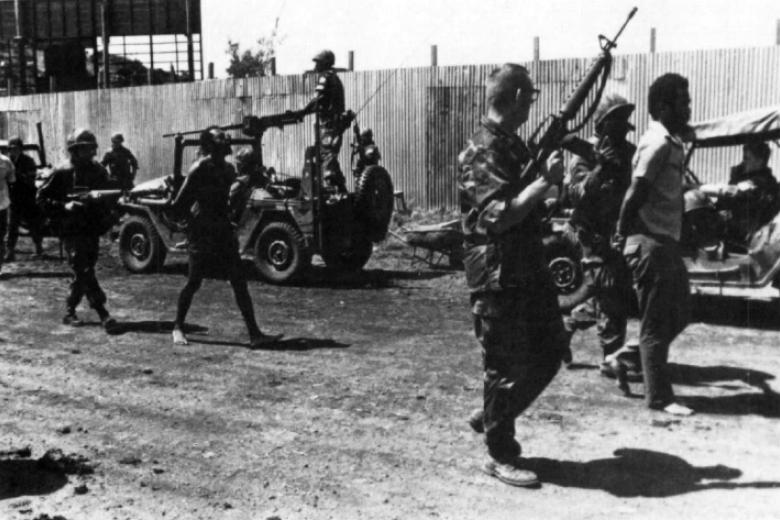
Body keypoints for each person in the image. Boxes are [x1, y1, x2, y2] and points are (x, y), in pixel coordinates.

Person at [458, 63, 567, 487]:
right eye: (531, 98)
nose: (531, 106)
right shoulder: (482, 148)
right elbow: (499, 216)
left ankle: (493, 415)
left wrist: (547, 188)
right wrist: (544, 183)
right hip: (498, 270)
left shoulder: (511, 143)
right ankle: (500, 454)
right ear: (518, 98)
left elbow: (530, 209)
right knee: (501, 366)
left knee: (551, 348)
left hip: (525, 264)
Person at [615, 73, 694, 416]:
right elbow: (636, 191)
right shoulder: (658, 142)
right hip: (651, 242)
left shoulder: (669, 139)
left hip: (664, 241)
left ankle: (625, 356)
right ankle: (659, 398)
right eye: (682, 101)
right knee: (657, 323)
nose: (688, 107)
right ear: (663, 106)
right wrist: (622, 232)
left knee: (681, 312)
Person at [169, 127, 282, 348]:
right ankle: (178, 327)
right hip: (202, 232)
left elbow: (231, 200)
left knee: (239, 282)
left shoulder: (229, 169)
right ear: (210, 145)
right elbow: (178, 205)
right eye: (220, 139)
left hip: (222, 230)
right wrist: (191, 228)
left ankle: (254, 334)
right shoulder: (199, 168)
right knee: (194, 281)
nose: (226, 141)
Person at [562, 94, 639, 381]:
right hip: (590, 234)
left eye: (623, 121)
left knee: (606, 291)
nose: (621, 127)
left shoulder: (628, 153)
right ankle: (612, 357)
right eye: (615, 121)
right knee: (610, 291)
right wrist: (600, 168)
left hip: (617, 233)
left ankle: (567, 327)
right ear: (603, 125)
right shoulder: (584, 155)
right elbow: (576, 195)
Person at [36, 129, 118, 332]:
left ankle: (69, 310)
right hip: (70, 229)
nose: (92, 152)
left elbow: (109, 195)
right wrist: (64, 206)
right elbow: (41, 198)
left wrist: (102, 201)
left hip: (91, 228)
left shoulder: (98, 171)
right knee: (84, 269)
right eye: (87, 148)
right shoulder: (62, 172)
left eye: (93, 148)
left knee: (84, 271)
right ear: (76, 150)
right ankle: (103, 313)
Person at [300, 49, 354, 193]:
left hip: (328, 125)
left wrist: (303, 111)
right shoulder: (334, 77)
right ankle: (341, 189)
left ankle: (332, 191)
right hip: (333, 124)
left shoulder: (325, 77)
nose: (315, 66)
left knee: (326, 156)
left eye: (318, 62)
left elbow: (319, 99)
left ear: (325, 63)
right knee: (327, 156)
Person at [6, 137, 44, 261]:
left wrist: (18, 175)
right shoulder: (7, 161)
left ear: (20, 149)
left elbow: (31, 177)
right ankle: (10, 251)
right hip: (14, 198)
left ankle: (38, 247)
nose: (13, 151)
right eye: (11, 149)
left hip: (28, 197)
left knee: (34, 224)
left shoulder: (28, 161)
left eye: (16, 148)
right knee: (12, 225)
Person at [0, 149, 15, 277]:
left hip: (2, 203)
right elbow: (12, 181)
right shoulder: (6, 161)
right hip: (2, 204)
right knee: (0, 237)